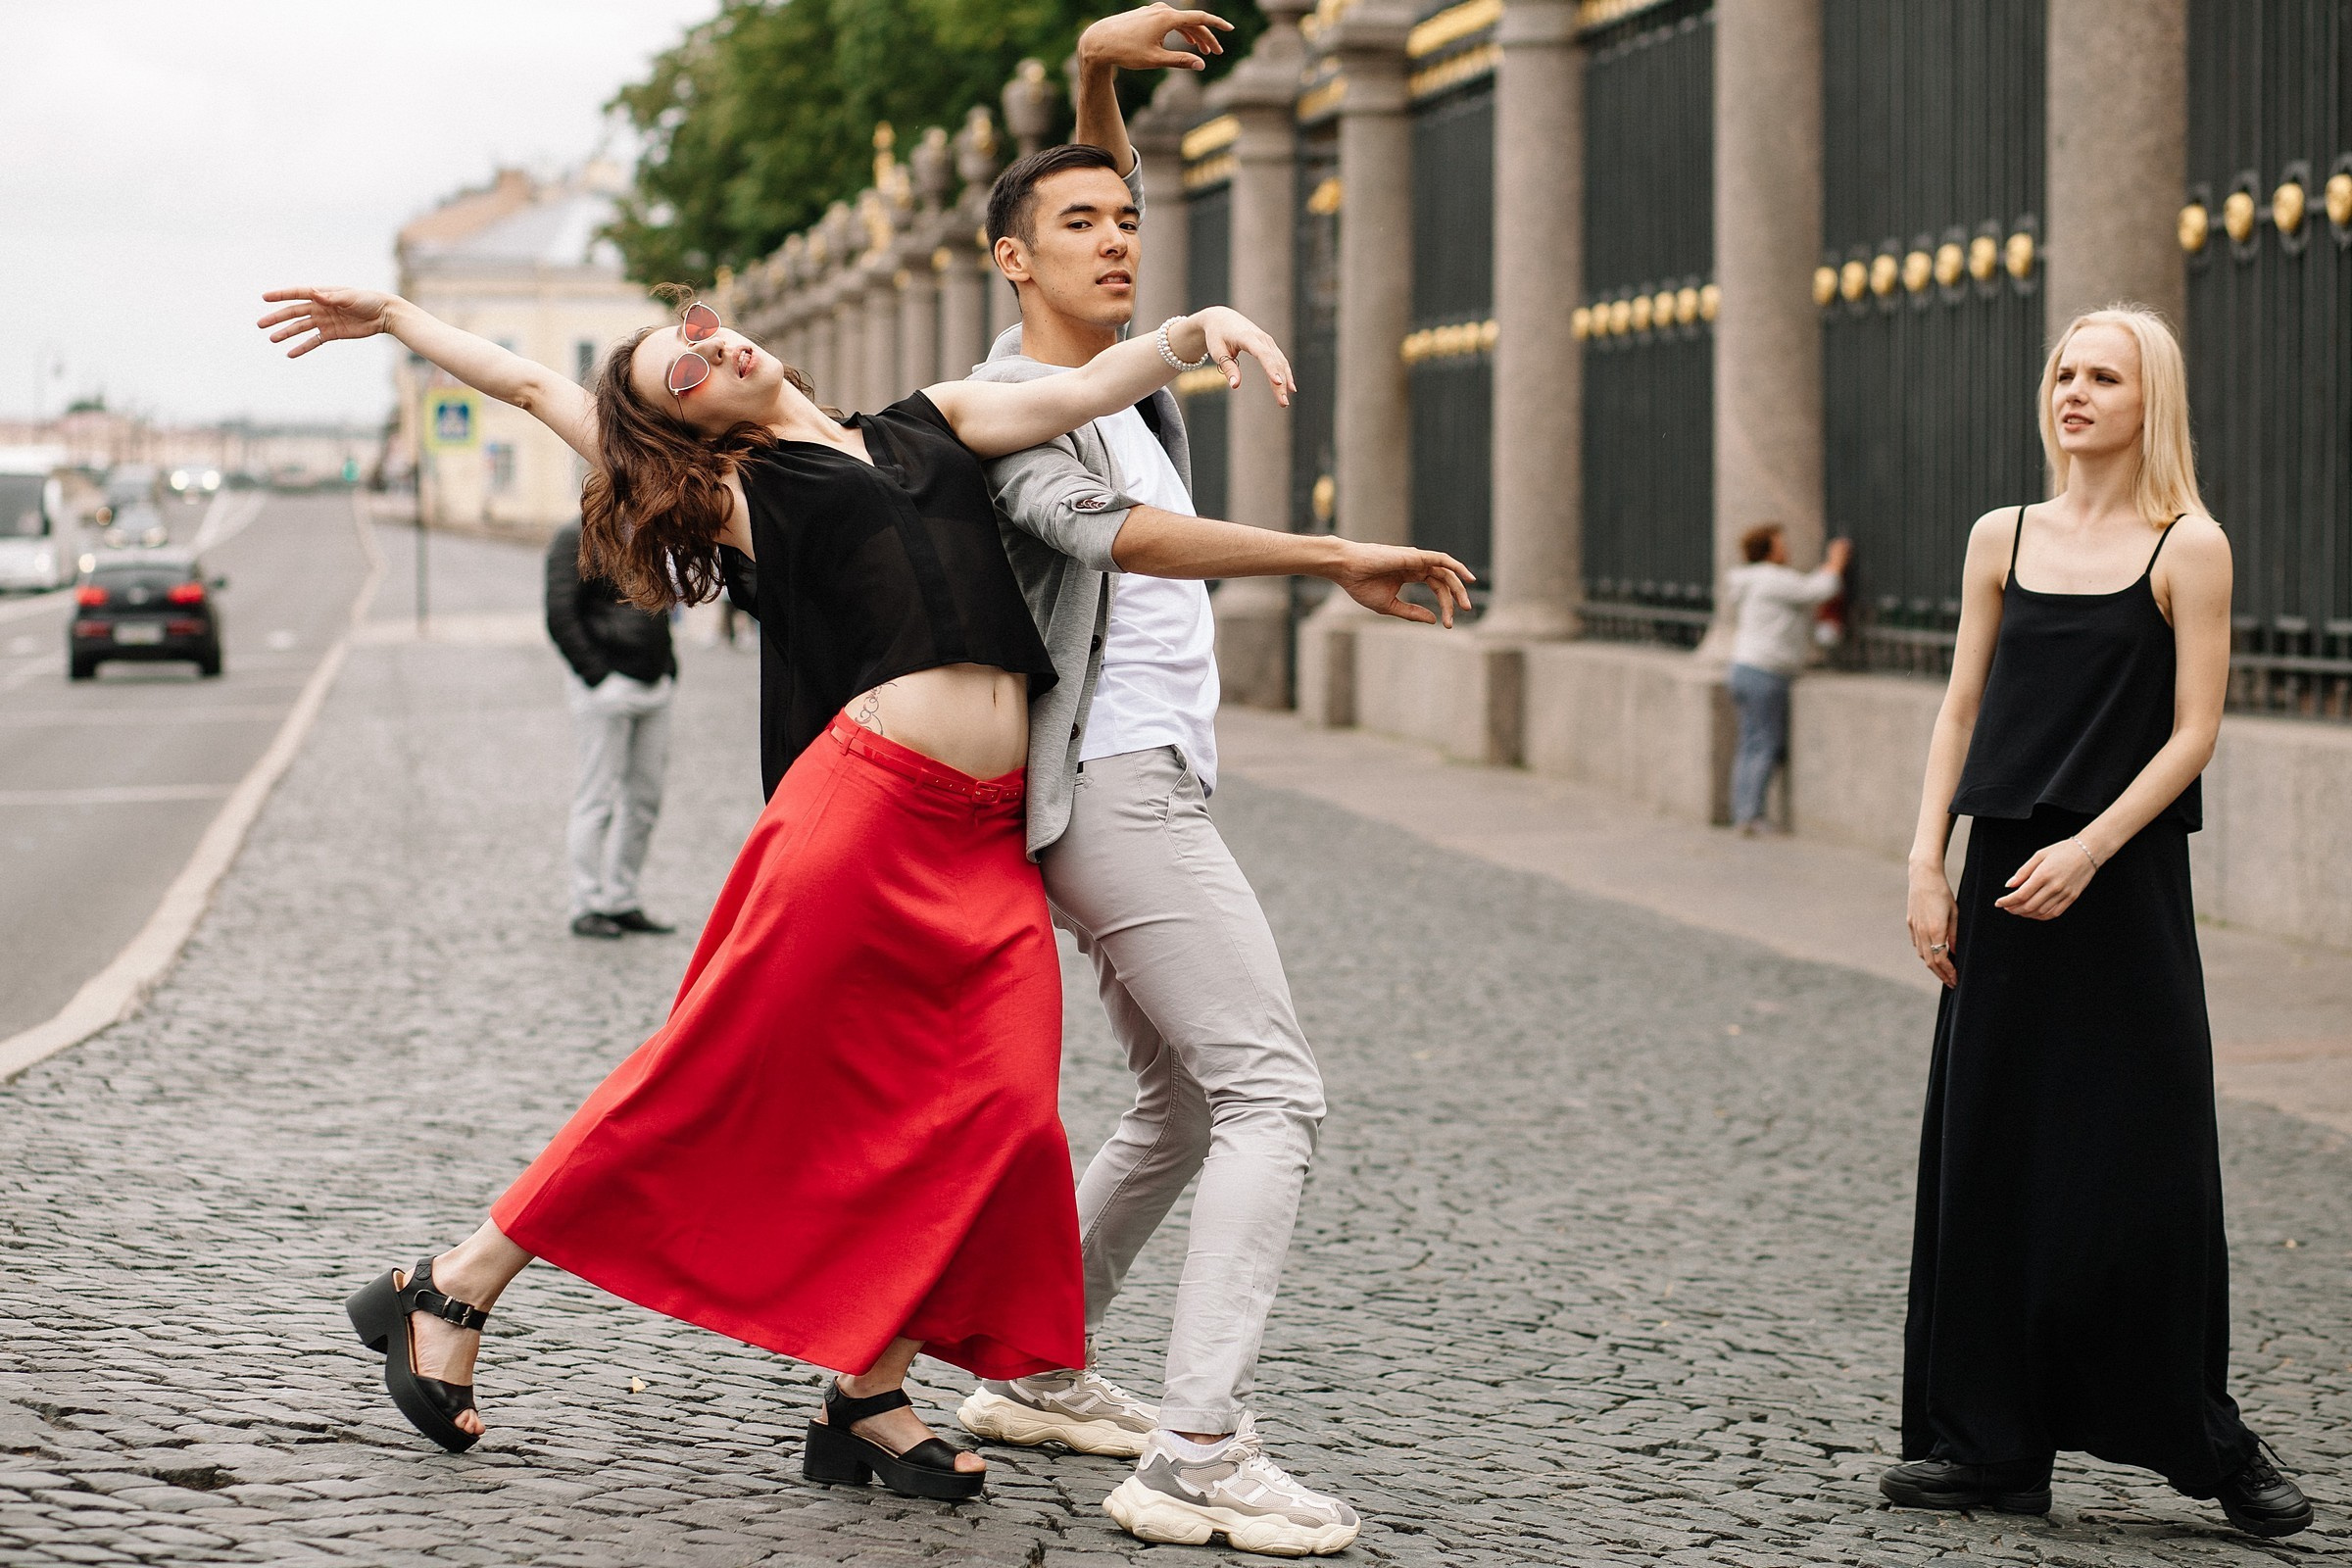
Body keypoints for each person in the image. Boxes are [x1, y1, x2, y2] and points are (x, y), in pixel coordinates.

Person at [254, 281, 1450, 1503]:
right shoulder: (734, 492)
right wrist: (401, 319)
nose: (718, 346)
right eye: (686, 368)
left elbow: (1087, 385)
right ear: (690, 425)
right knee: (713, 1071)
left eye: (705, 326)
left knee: (997, 1118)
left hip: (988, 833)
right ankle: (450, 1286)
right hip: (865, 812)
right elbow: (527, 385)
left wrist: (1195, 332)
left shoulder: (931, 421)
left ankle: (867, 1390)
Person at [945, 9, 1465, 1554]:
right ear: (1009, 262)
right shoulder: (1004, 409)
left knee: (1175, 1104)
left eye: (1129, 219)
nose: (1119, 239)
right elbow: (1134, 540)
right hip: (1108, 786)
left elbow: (1090, 179)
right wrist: (1334, 553)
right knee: (1272, 1092)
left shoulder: (1106, 368)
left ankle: (1036, 1365)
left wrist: (1099, 61)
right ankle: (1195, 1449)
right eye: (1080, 227)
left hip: (1149, 772)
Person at [1885, 306, 2310, 1538]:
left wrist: (2091, 843)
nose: (2075, 392)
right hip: (2006, 879)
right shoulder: (1999, 537)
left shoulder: (2191, 545)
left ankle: (2207, 1440)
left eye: (2104, 376)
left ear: (2149, 401)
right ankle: (1988, 1445)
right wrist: (1927, 859)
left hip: (2118, 884)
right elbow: (1960, 707)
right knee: (1990, 1154)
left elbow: (2194, 733)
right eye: (2063, 372)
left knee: (2143, 1168)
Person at [543, 518, 678, 940]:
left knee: (644, 801)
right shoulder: (574, 536)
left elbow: (660, 608)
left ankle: (621, 899)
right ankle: (586, 903)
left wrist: (669, 667)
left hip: (654, 686)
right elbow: (560, 615)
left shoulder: (647, 531)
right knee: (597, 798)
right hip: (608, 688)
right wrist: (597, 677)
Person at [1721, 523, 1849, 833]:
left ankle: (1742, 812)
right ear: (1768, 550)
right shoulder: (1772, 579)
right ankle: (1752, 817)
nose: (1786, 550)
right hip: (1766, 672)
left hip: (1742, 668)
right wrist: (1837, 561)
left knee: (1749, 743)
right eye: (1780, 544)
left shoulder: (1752, 581)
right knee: (1765, 743)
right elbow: (1819, 589)